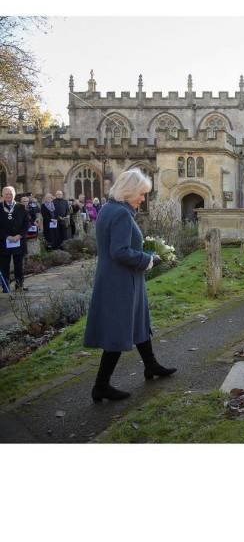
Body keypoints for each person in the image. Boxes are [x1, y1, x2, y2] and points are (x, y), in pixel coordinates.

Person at [84, 168, 176, 402]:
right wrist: (148, 259)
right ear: (130, 192)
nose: (143, 199)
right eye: (142, 194)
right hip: (121, 281)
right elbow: (120, 251)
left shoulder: (108, 209)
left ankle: (151, 365)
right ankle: (100, 386)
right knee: (117, 333)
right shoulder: (122, 214)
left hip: (115, 278)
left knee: (138, 323)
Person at [0, 186, 29, 291]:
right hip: (4, 242)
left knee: (19, 265)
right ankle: (5, 288)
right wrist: (7, 236)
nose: (8, 195)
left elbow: (26, 224)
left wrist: (19, 235)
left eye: (11, 193)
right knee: (4, 266)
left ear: (14, 194)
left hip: (19, 241)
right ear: (2, 195)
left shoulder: (21, 207)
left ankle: (19, 286)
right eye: (6, 193)